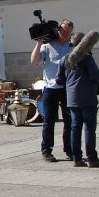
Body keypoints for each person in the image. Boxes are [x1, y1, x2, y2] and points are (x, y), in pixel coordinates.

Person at [58, 32, 99, 168]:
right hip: (87, 98)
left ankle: (77, 158)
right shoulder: (87, 59)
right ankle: (92, 159)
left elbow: (60, 79)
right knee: (89, 129)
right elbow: (96, 77)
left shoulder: (65, 59)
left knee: (75, 128)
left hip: (72, 99)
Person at [30, 18, 74, 162]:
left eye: (68, 31)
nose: (65, 33)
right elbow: (34, 61)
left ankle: (69, 149)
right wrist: (38, 42)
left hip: (67, 88)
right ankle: (46, 150)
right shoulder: (48, 45)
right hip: (51, 87)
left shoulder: (72, 46)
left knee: (69, 120)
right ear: (58, 29)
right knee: (49, 121)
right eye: (63, 30)